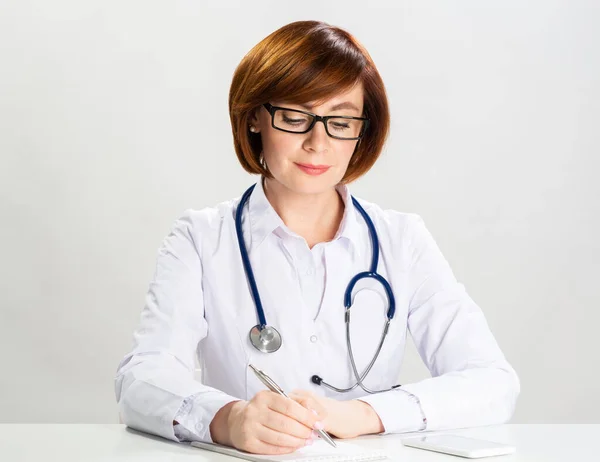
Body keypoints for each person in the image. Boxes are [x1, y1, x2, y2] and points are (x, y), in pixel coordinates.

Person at [114, 20, 520, 455]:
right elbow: (141, 378)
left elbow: (492, 381)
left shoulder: (402, 240)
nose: (318, 142)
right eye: (294, 117)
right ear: (254, 117)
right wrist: (229, 419)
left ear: (362, 130)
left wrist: (364, 415)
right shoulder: (201, 237)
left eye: (341, 122)